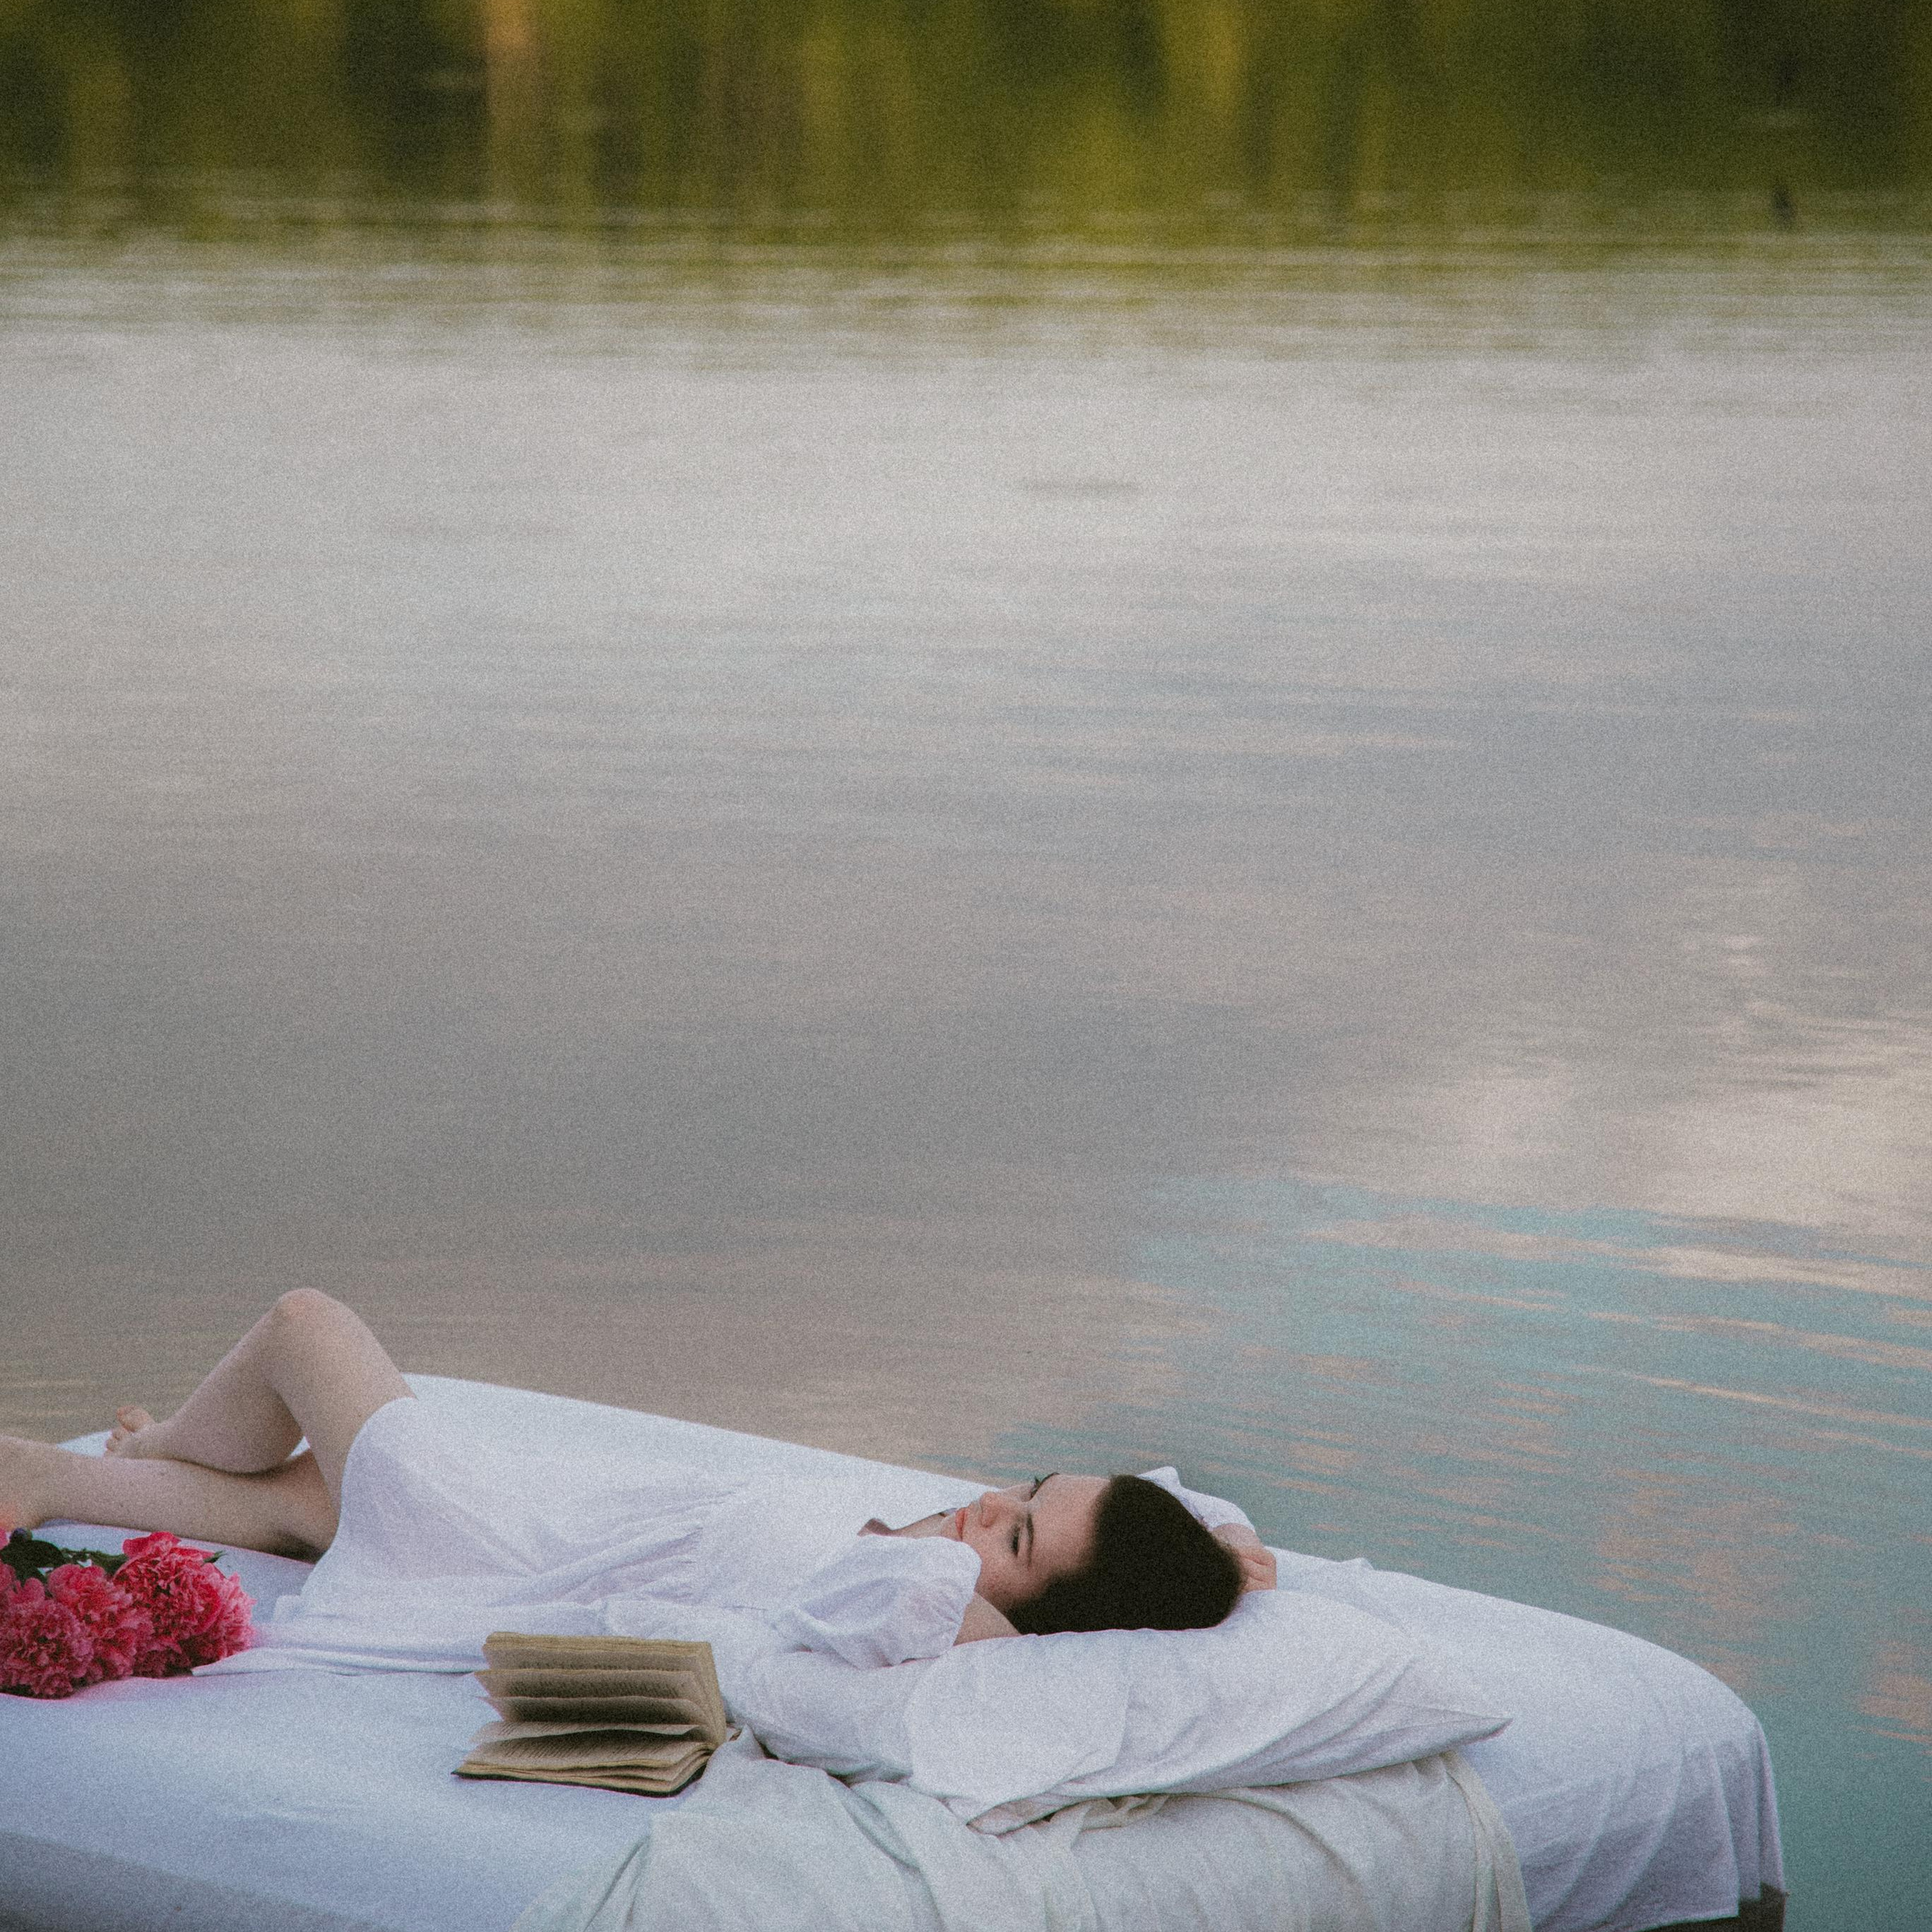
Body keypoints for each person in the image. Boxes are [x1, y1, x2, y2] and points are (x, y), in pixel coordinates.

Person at [1, 1291, 1273, 1660]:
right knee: (297, 1507)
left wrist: (1030, 1599)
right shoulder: (948, 1552)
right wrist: (1218, 1551)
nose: (990, 1508)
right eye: (1027, 1487)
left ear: (1009, 1604)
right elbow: (1167, 1514)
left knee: (301, 1325)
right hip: (536, 1515)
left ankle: (151, 1446)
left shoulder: (920, 1605)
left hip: (500, 1537)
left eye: (1015, 1542)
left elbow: (995, 1630)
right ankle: (50, 1478)